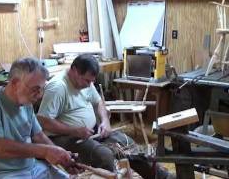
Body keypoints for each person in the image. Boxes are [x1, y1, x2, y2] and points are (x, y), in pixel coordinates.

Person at [37, 54, 174, 179]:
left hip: (89, 132)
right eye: (86, 81)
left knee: (127, 144)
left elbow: (99, 103)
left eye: (91, 81)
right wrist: (74, 131)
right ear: (74, 70)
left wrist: (105, 121)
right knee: (105, 156)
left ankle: (161, 176)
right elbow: (43, 121)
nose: (89, 85)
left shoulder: (85, 83)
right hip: (64, 138)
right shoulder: (58, 87)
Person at [0, 58, 78, 179]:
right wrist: (45, 151)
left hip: (32, 168)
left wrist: (60, 155)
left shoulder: (26, 102)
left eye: (41, 89)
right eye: (35, 89)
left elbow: (38, 136)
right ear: (15, 83)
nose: (40, 95)